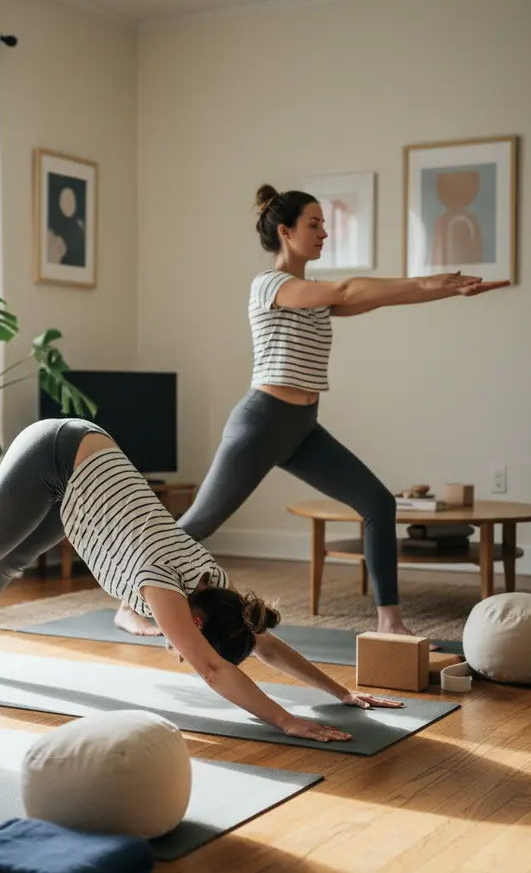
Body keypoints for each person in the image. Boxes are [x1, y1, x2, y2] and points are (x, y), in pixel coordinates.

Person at [113, 184, 510, 639]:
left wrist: (446, 290)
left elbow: (376, 296)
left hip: (302, 427)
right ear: (285, 231)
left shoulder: (316, 299)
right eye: (314, 224)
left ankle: (390, 623)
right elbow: (344, 287)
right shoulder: (270, 285)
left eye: (325, 224)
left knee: (377, 503)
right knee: (201, 521)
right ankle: (128, 602)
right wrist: (429, 280)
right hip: (261, 423)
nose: (324, 233)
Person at [0, 418, 403, 745]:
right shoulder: (162, 585)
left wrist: (342, 691)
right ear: (195, 621)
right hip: (56, 449)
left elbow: (262, 643)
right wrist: (286, 721)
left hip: (90, 468)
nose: (183, 649)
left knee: (11, 564)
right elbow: (213, 668)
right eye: (188, 640)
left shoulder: (216, 586)